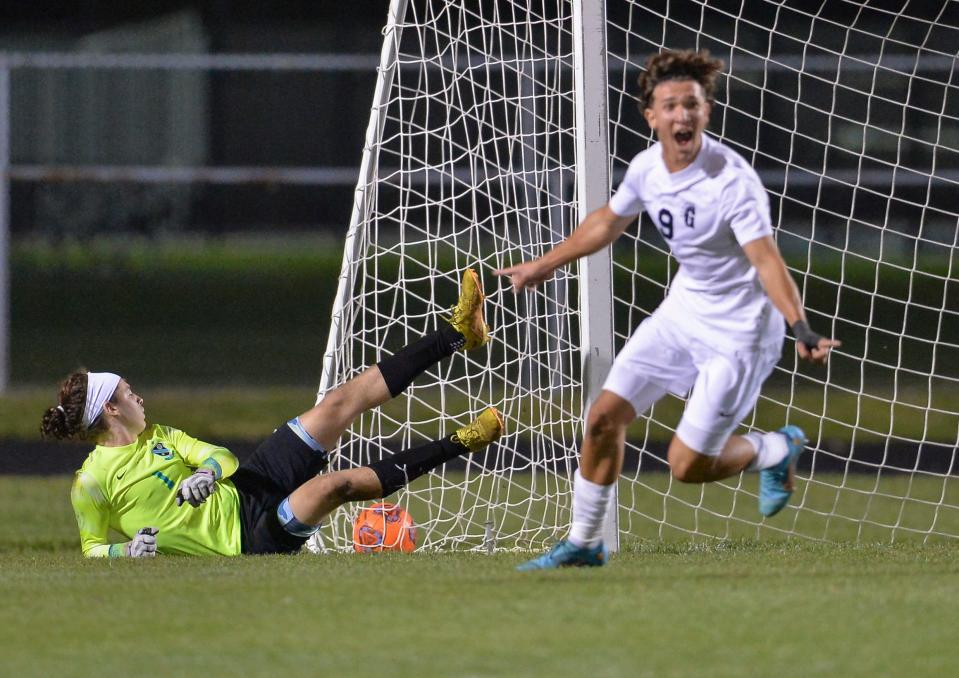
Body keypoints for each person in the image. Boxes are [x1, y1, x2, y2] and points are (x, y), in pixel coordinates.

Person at [496, 50, 840, 570]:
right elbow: (609, 222)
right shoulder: (646, 169)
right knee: (602, 419)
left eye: (692, 105)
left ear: (706, 111)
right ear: (651, 115)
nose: (683, 115)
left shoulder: (731, 181)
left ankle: (773, 449)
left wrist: (801, 327)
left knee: (686, 466)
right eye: (671, 105)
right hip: (683, 314)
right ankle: (586, 542)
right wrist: (545, 264)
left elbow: (767, 261)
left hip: (741, 334)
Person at [40, 269, 504, 558]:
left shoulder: (155, 434)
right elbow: (92, 548)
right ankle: (462, 442)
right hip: (249, 540)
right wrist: (126, 552)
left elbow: (222, 457)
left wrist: (205, 472)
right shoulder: (91, 482)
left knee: (337, 403)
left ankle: (458, 333)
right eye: (129, 392)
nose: (139, 397)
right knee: (332, 486)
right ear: (112, 410)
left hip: (248, 486)